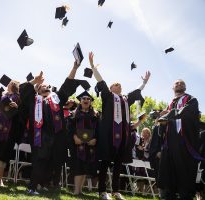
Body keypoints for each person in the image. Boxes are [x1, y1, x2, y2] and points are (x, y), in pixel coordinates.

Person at [89, 52, 151, 200]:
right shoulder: (107, 96)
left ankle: (116, 191)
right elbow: (101, 81)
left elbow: (138, 91)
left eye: (120, 85)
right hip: (108, 135)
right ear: (110, 88)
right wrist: (92, 66)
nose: (119, 85)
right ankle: (102, 191)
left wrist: (144, 82)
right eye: (115, 84)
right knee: (105, 163)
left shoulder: (125, 99)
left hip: (123, 136)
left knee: (118, 165)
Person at [19, 61, 80, 195]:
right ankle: (33, 187)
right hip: (39, 136)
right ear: (37, 90)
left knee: (53, 162)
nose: (46, 87)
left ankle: (43, 184)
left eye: (48, 86)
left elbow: (67, 84)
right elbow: (23, 90)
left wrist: (74, 67)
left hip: (57, 136)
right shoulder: (33, 100)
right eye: (43, 87)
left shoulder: (57, 98)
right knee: (39, 161)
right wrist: (35, 80)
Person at [158, 79, 201, 200]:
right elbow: (164, 121)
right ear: (173, 87)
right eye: (176, 83)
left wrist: (169, 114)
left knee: (184, 172)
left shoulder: (191, 100)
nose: (179, 84)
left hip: (184, 142)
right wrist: (161, 116)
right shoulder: (170, 103)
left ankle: (185, 196)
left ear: (185, 87)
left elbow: (186, 112)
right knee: (169, 172)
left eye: (182, 83)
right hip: (169, 142)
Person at [67, 91, 98, 195]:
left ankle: (80, 190)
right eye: (83, 99)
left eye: (88, 99)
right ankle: (76, 190)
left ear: (91, 102)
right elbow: (70, 128)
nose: (86, 100)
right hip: (77, 144)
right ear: (80, 101)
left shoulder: (96, 115)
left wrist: (95, 139)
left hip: (90, 145)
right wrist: (75, 137)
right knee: (78, 166)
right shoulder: (74, 114)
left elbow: (99, 130)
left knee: (85, 167)